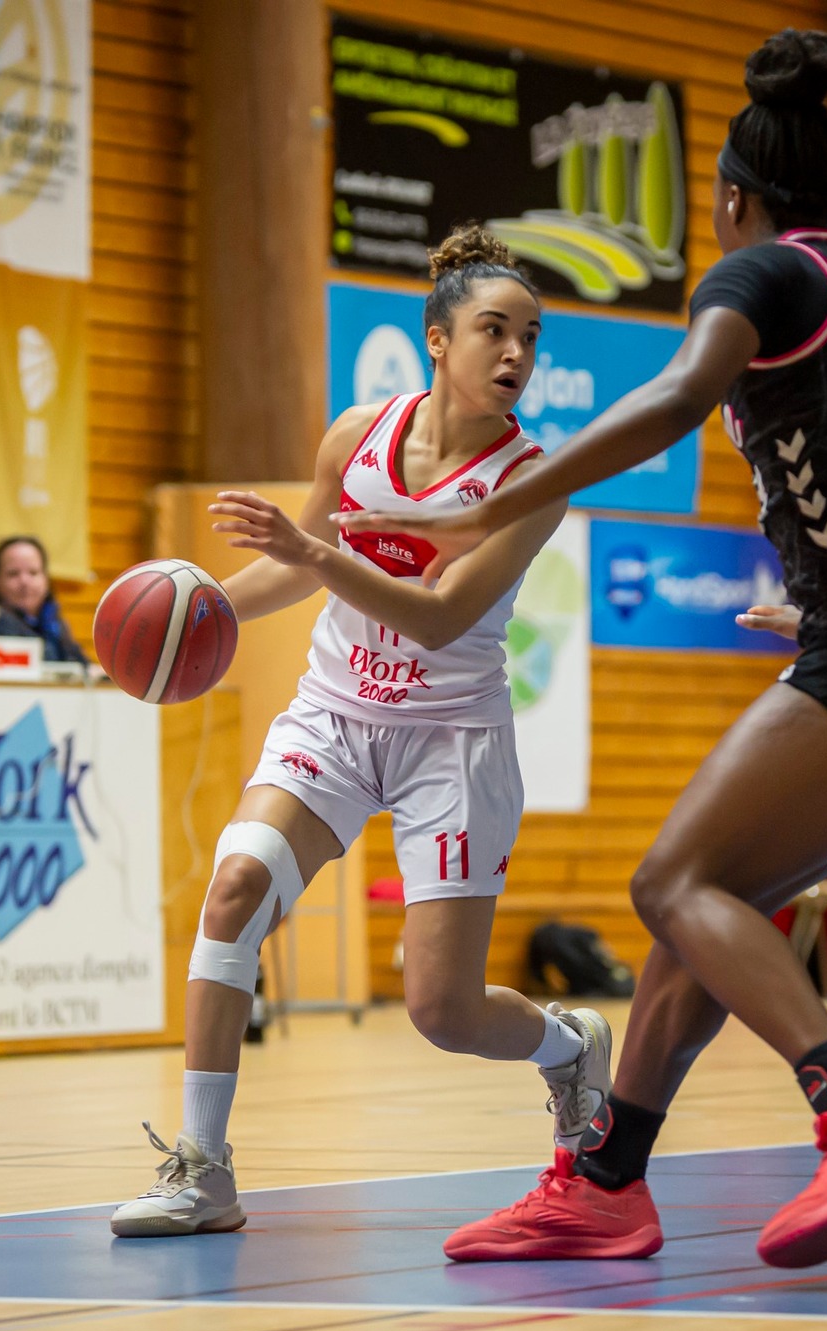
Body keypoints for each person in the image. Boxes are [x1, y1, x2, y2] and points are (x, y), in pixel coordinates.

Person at [339, 30, 827, 1269]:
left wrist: (475, 506)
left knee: (669, 882)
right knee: (713, 902)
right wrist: (826, 590)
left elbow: (673, 398)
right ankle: (604, 1180)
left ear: (729, 198)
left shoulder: (757, 277)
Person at [109, 226, 611, 1240]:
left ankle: (567, 1045)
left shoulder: (531, 481)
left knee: (443, 1012)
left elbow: (435, 615)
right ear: (436, 338)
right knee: (236, 881)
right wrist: (197, 614)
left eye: (529, 338)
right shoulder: (355, 436)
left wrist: (313, 549)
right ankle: (202, 1168)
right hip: (336, 714)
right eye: (491, 331)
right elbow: (299, 564)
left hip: (449, 737)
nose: (514, 356)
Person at [0, 537, 87, 666]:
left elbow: (83, 665)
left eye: (33, 572)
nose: (24, 582)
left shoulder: (56, 623)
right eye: (13, 574)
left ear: (46, 579)